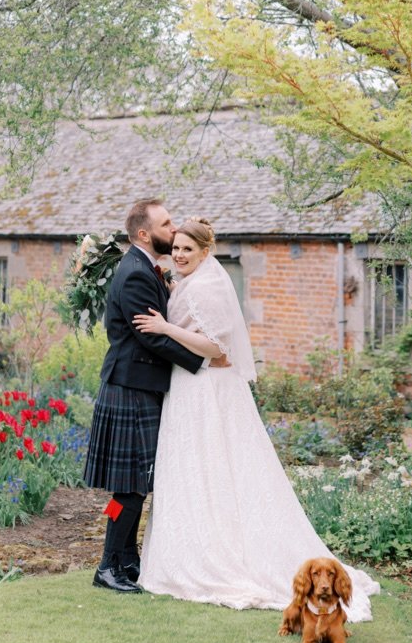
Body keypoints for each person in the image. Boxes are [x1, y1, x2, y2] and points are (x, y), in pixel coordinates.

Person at [132, 217, 380, 620]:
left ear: (205, 252)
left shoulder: (209, 286)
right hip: (191, 387)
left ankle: (217, 555)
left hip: (207, 390)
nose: (178, 255)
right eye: (175, 248)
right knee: (194, 467)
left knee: (212, 464)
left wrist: (165, 328)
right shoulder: (193, 282)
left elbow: (215, 347)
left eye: (187, 250)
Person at [84, 198, 214, 593]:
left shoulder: (144, 268)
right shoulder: (137, 273)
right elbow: (151, 337)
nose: (174, 230)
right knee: (131, 487)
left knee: (129, 487)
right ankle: (108, 565)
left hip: (131, 388)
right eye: (167, 224)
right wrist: (202, 361)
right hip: (131, 390)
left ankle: (125, 558)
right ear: (144, 233)